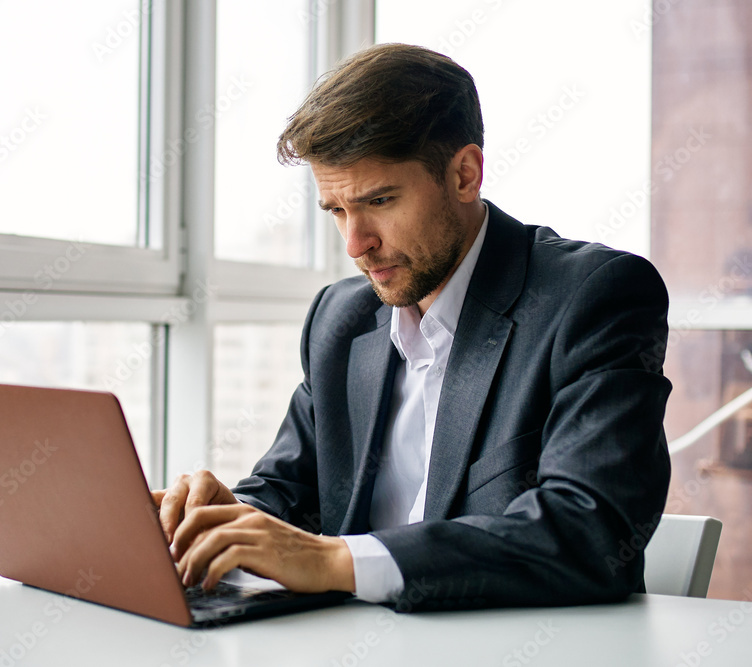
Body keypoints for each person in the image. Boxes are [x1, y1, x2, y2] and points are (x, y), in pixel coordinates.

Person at [152, 43, 672, 611]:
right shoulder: (340, 318)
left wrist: (335, 561)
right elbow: (292, 494)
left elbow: (590, 533)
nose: (356, 244)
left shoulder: (596, 296)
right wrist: (226, 519)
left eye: (379, 200)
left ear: (464, 174)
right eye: (337, 211)